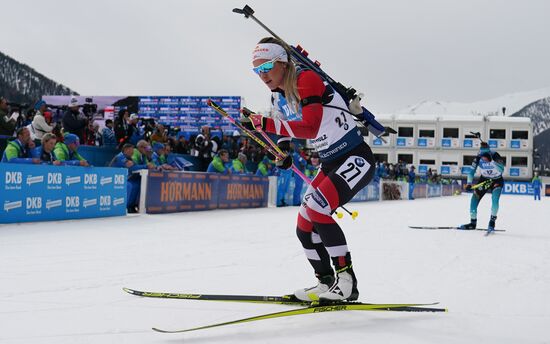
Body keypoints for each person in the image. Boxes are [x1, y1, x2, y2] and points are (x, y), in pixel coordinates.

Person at [242, 38, 375, 301]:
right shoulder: (277, 95)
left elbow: (310, 127)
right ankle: (325, 281)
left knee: (317, 209)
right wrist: (284, 152)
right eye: (257, 70)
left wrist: (264, 123)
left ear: (282, 62)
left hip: (354, 157)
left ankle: (346, 281)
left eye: (267, 66)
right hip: (330, 161)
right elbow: (283, 126)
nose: (263, 75)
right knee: (304, 225)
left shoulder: (306, 80)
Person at [460, 142, 504, 232]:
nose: (483, 158)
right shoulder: (478, 158)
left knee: (495, 200)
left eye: (485, 156)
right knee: (474, 199)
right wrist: (469, 183)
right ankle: (473, 223)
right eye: (481, 155)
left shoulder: (495, 155)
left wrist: (492, 161)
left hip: (496, 180)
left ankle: (492, 222)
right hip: (484, 180)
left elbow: (501, 169)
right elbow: (471, 172)